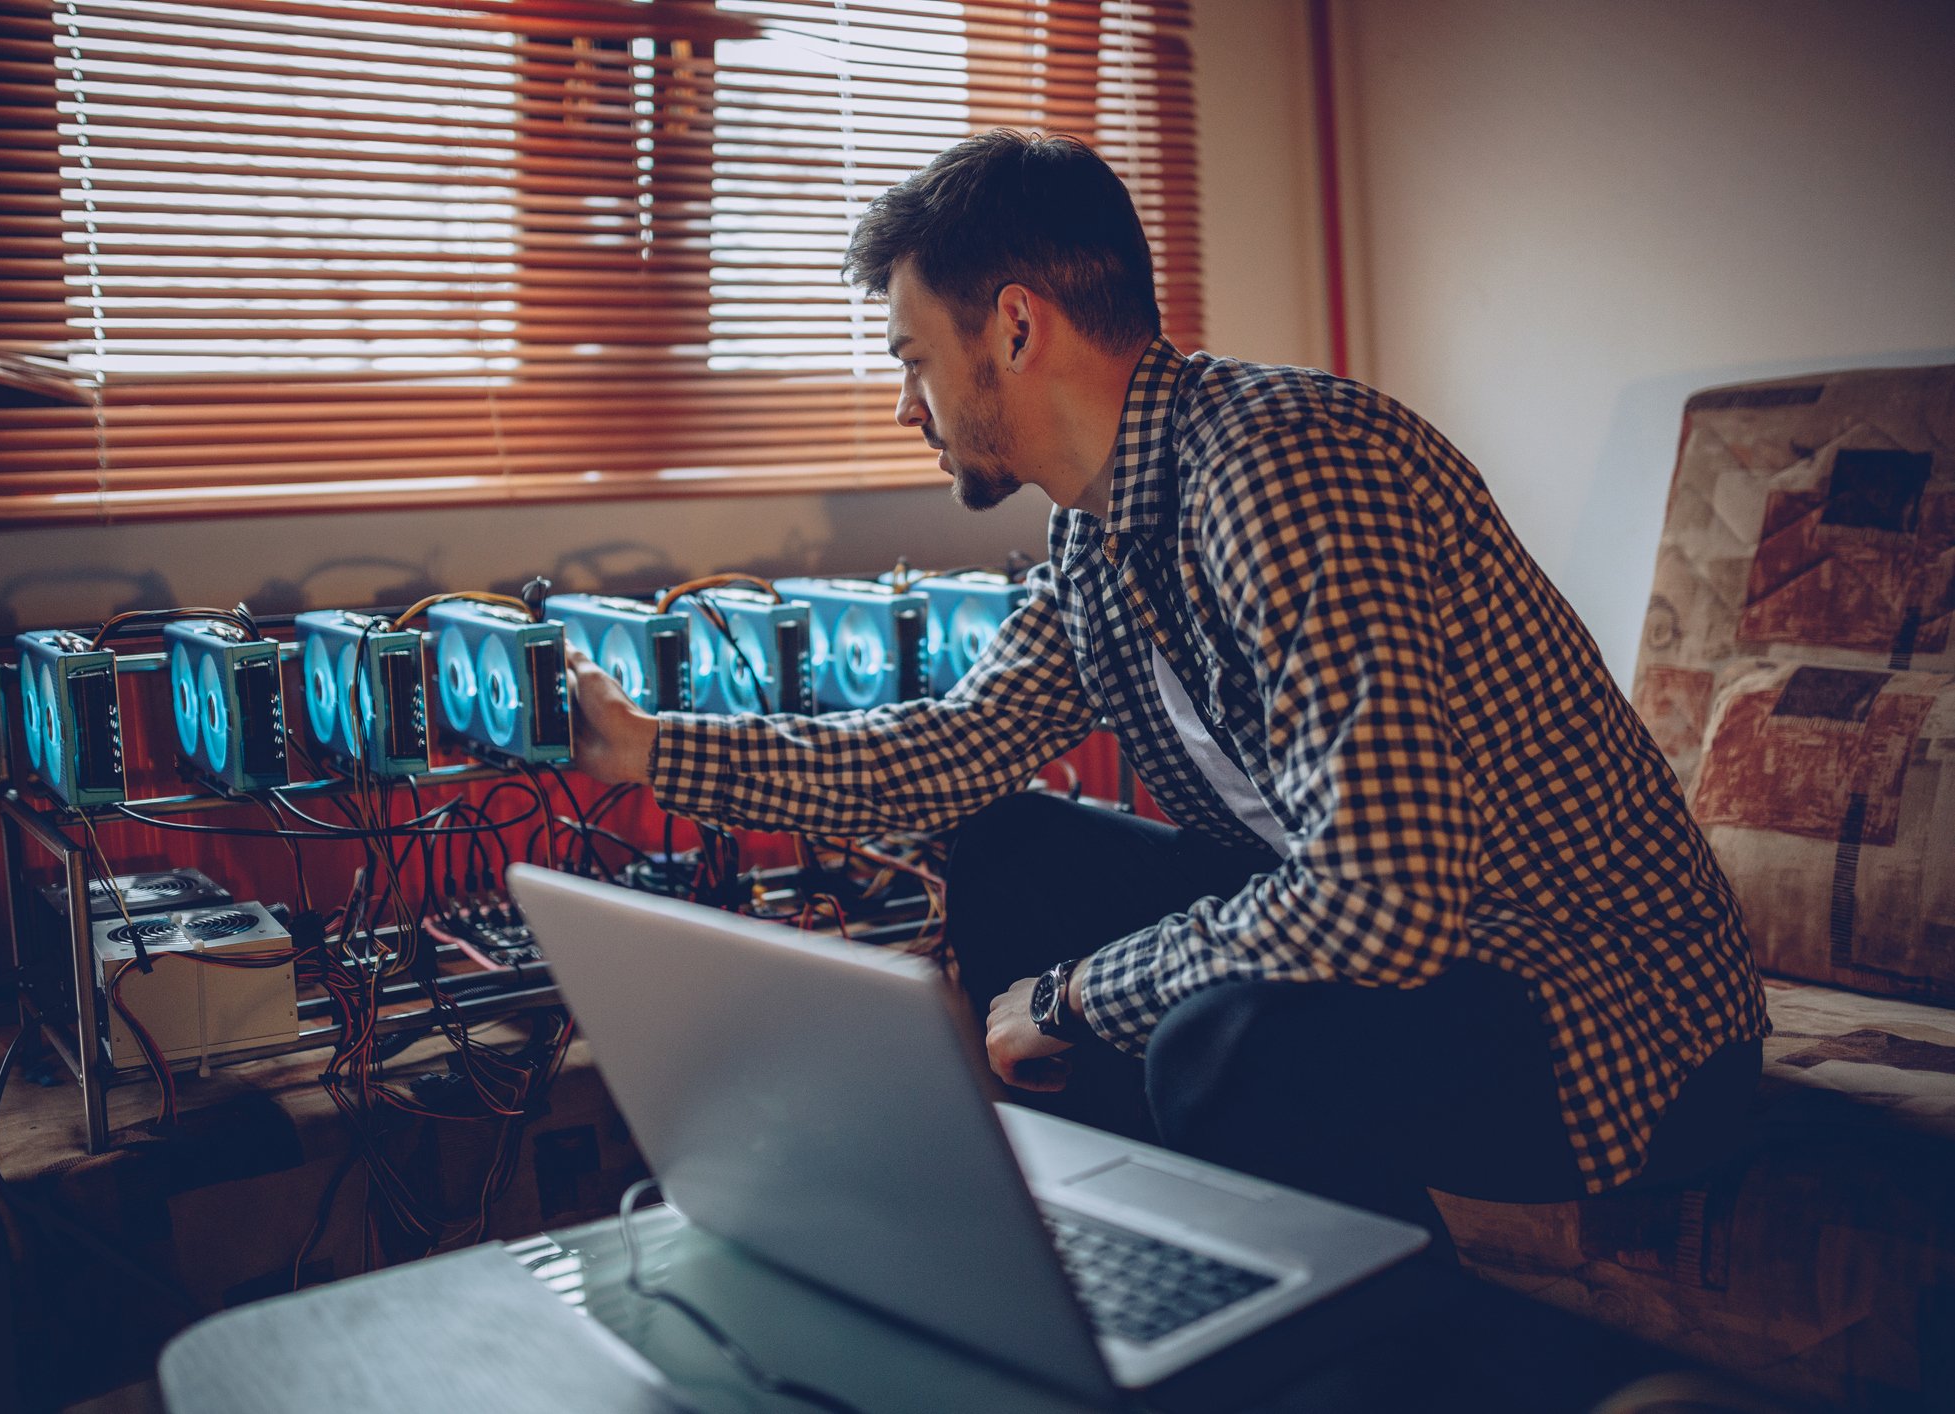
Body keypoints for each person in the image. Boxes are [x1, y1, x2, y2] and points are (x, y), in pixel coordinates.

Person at [567, 130, 1768, 1248]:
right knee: (1008, 847)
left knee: (1220, 1046)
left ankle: (1350, 1344)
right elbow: (945, 748)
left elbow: (1385, 903)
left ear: (1016, 327)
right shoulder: (1097, 536)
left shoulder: (1281, 470)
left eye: (914, 359)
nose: (904, 406)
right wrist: (648, 751)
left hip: (1599, 1005)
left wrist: (1080, 995)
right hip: (1433, 949)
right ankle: (1124, 1269)